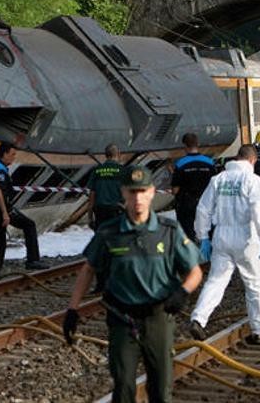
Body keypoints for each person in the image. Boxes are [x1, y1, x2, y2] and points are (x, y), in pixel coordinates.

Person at [63, 165, 202, 403]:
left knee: (160, 388)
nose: (137, 198)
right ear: (123, 193)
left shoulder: (169, 232)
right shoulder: (109, 232)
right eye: (132, 192)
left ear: (152, 192)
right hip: (121, 319)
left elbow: (195, 271)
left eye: (142, 191)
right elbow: (88, 270)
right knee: (124, 385)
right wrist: (73, 310)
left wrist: (183, 291)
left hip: (158, 318)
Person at [188, 145, 260, 346]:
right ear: (252, 161)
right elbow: (259, 211)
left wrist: (204, 236)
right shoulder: (253, 180)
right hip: (247, 237)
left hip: (222, 236)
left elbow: (203, 209)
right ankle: (258, 330)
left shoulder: (218, 180)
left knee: (216, 281)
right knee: (254, 284)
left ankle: (198, 318)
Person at [0, 142, 47, 281]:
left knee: (0, 242)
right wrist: (5, 213)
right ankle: (32, 260)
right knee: (29, 225)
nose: (13, 158)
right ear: (4, 153)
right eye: (12, 155)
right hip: (1, 211)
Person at [171, 132, 216, 243]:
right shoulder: (209, 162)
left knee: (187, 235)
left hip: (187, 204)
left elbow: (175, 190)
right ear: (198, 144)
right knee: (209, 234)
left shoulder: (180, 164)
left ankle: (191, 256)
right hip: (207, 203)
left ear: (185, 147)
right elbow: (215, 184)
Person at [86, 144, 124, 230]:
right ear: (118, 154)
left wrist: (90, 218)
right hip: (116, 210)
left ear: (105, 155)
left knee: (101, 239)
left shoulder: (96, 171)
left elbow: (91, 197)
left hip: (99, 211)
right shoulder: (122, 171)